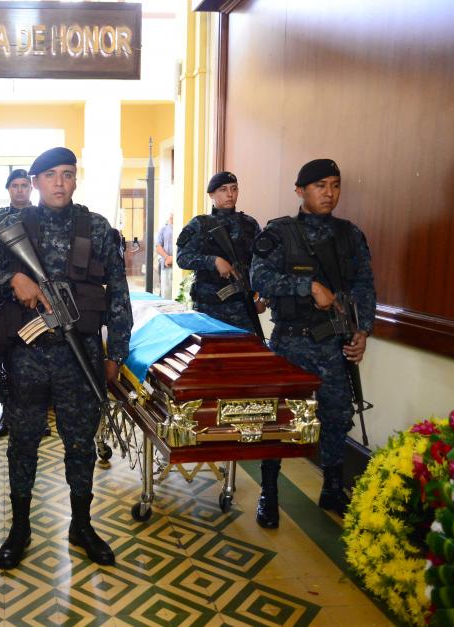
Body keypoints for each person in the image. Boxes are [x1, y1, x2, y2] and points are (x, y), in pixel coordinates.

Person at [0, 147, 132, 569]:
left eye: (68, 175)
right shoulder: (10, 225)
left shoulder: (95, 227)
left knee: (80, 444)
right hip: (29, 355)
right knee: (23, 443)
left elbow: (118, 292)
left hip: (81, 355)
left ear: (76, 180)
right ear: (35, 182)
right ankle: (19, 527)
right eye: (50, 175)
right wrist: (12, 279)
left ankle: (81, 524)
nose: (60, 183)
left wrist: (116, 353)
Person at [250, 159, 376, 528]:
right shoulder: (279, 233)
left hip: (336, 345)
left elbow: (365, 286)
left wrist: (362, 331)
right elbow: (261, 278)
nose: (329, 193)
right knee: (278, 420)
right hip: (291, 345)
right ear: (300, 191)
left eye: (335, 185)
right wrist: (308, 286)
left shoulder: (350, 235)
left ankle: (333, 488)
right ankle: (268, 493)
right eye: (320, 185)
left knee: (337, 417)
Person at [176, 171, 265, 330]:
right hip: (209, 309)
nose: (230, 194)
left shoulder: (250, 224)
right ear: (211, 194)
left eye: (234, 189)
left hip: (243, 307)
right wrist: (214, 261)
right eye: (223, 190)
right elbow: (182, 258)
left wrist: (263, 299)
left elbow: (264, 263)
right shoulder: (199, 224)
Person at [0, 168, 35, 439]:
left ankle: (36, 416)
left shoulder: (43, 218)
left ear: (31, 188)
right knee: (0, 359)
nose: (20, 190)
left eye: (24, 185)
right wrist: (7, 281)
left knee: (36, 363)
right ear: (8, 189)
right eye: (15, 185)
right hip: (5, 303)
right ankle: (6, 412)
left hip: (39, 306)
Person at [156, 213, 174, 299]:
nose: (172, 216)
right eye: (171, 215)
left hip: (178, 264)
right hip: (166, 265)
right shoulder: (164, 229)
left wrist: (174, 259)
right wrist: (167, 257)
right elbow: (158, 247)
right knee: (166, 293)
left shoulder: (182, 228)